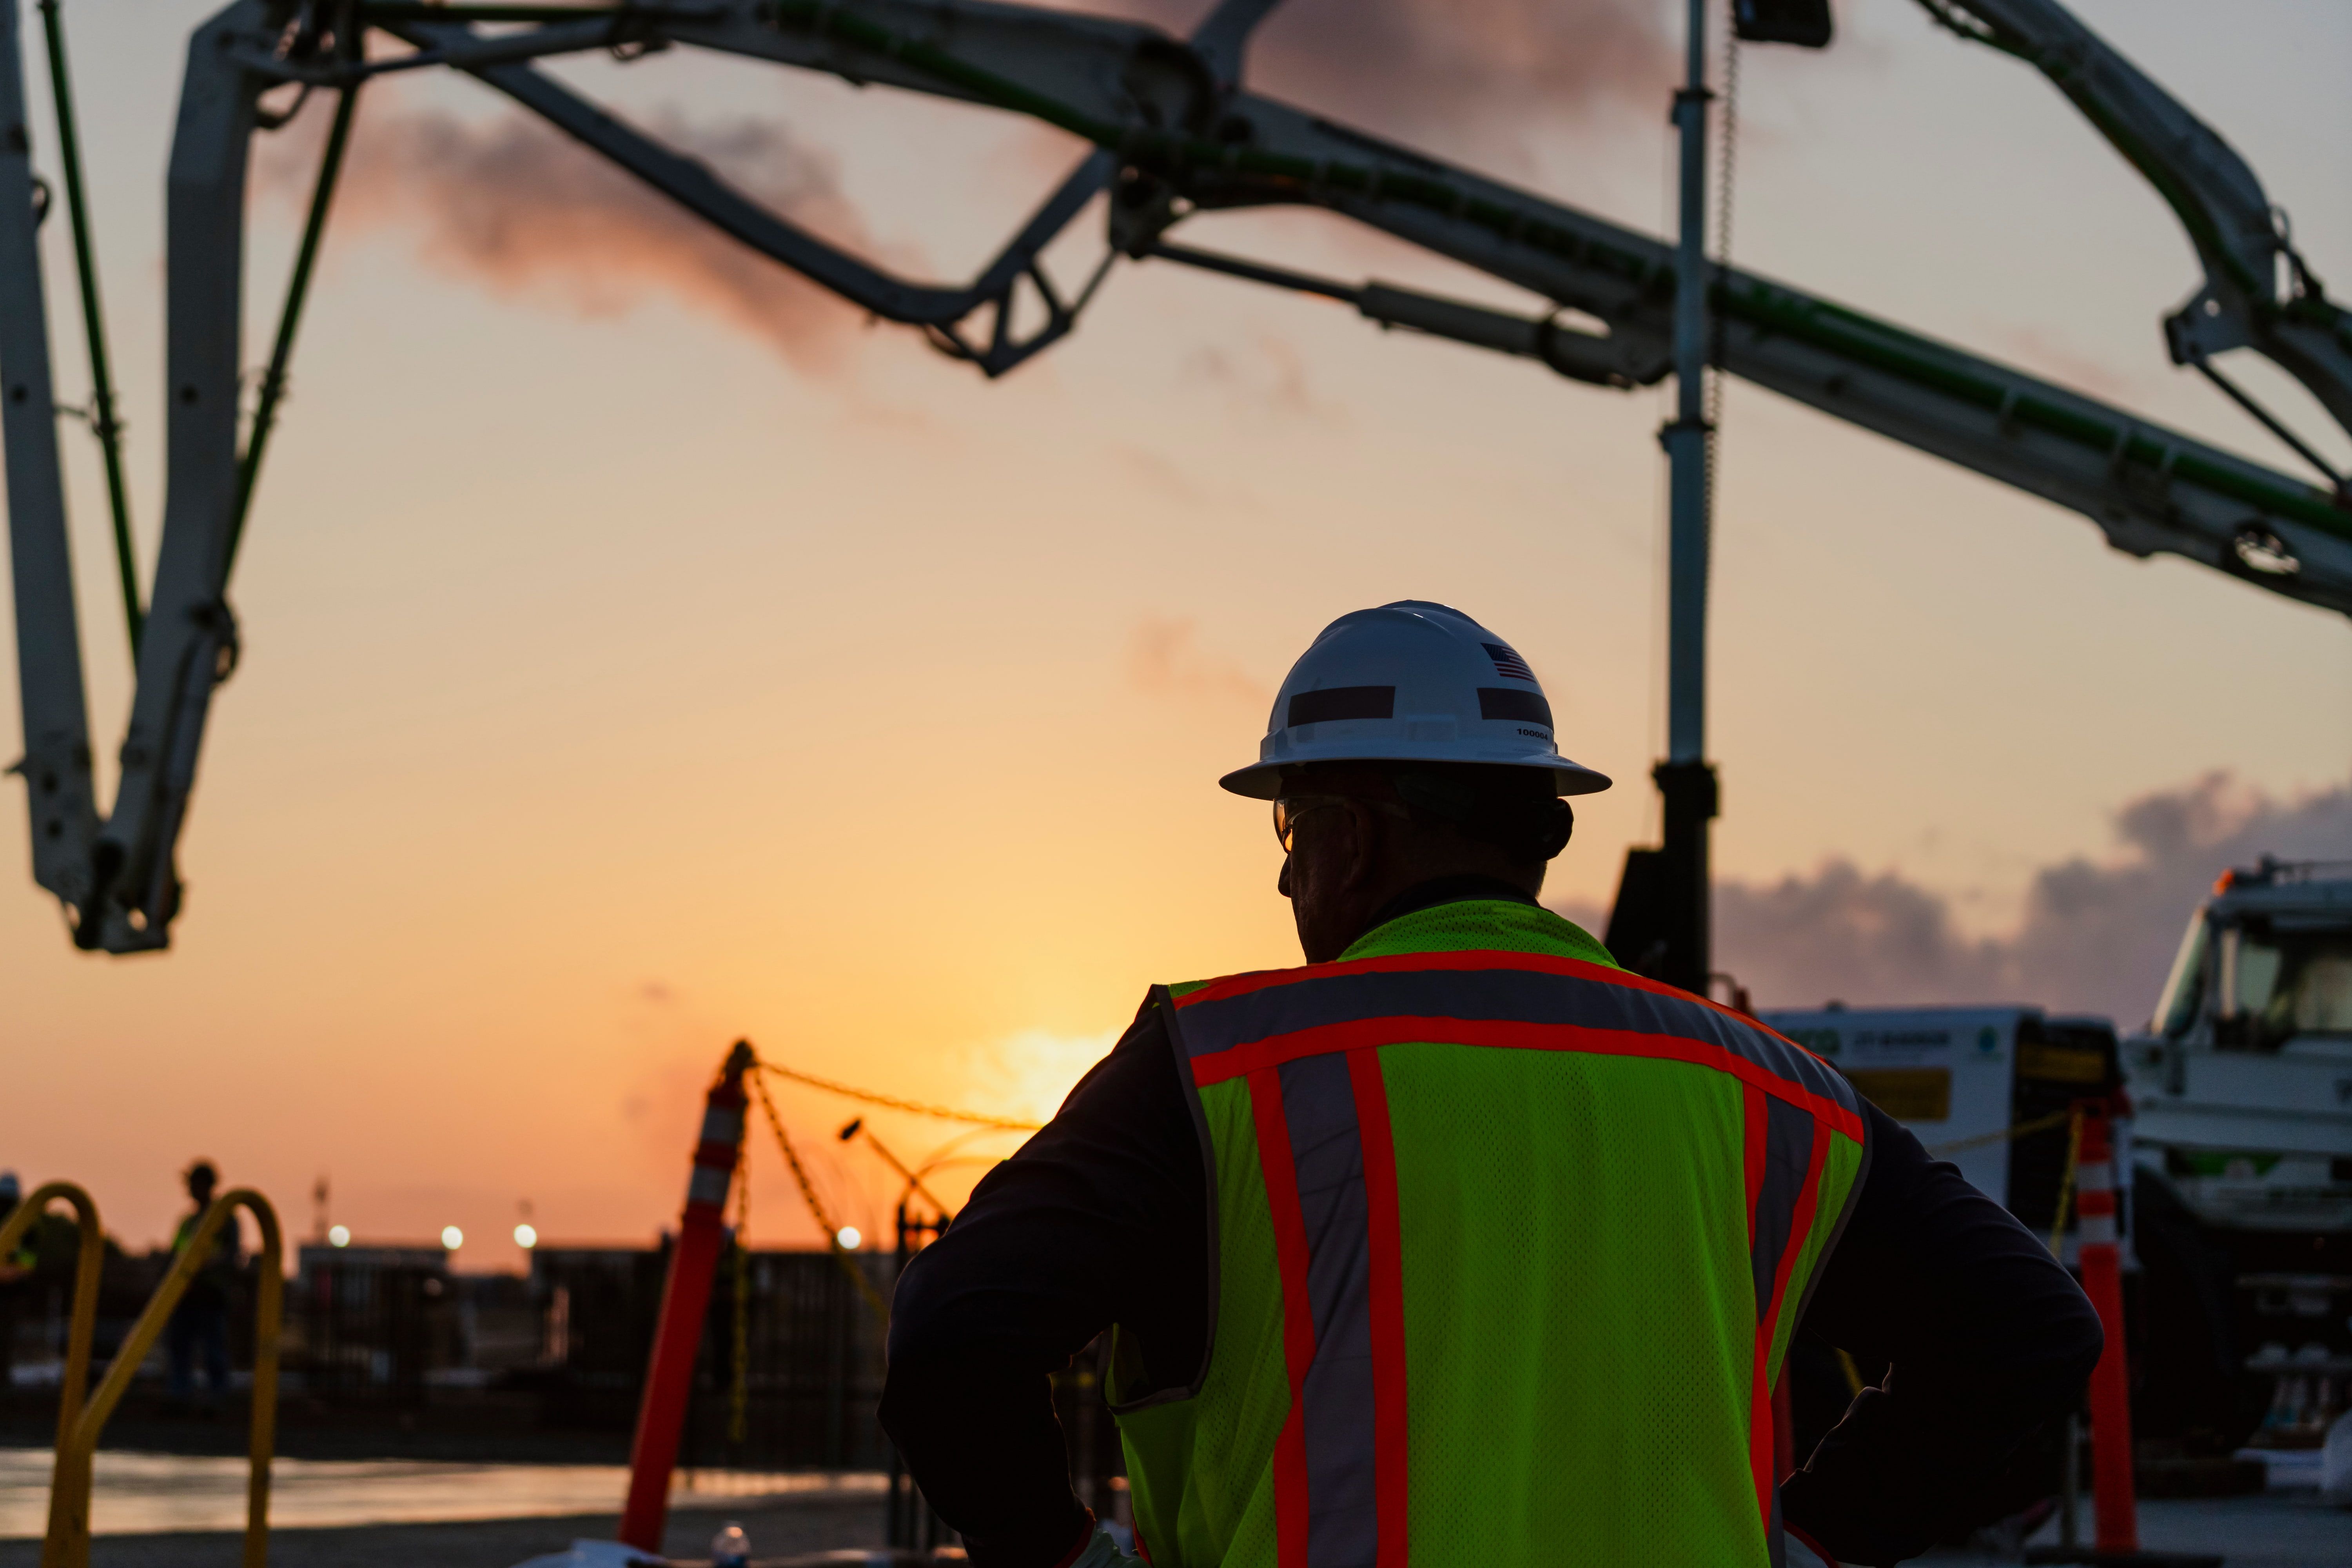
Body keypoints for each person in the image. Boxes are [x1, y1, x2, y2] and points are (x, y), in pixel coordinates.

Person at [880, 601, 2105, 1568]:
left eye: (1291, 834)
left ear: (1352, 836)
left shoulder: (1218, 1066)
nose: (1286, 883)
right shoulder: (1765, 1089)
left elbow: (949, 1340)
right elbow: (2030, 1329)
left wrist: (1061, 1556)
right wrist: (1813, 1536)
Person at [166, 1161, 238, 1411]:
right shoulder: (188, 1222)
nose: (189, 1190)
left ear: (206, 1185)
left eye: (193, 1184)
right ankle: (180, 1396)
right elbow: (175, 1254)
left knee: (213, 1349)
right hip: (185, 1293)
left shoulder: (224, 1219)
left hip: (211, 1293)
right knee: (180, 1348)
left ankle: (217, 1398)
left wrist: (204, 1267)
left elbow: (231, 1255)